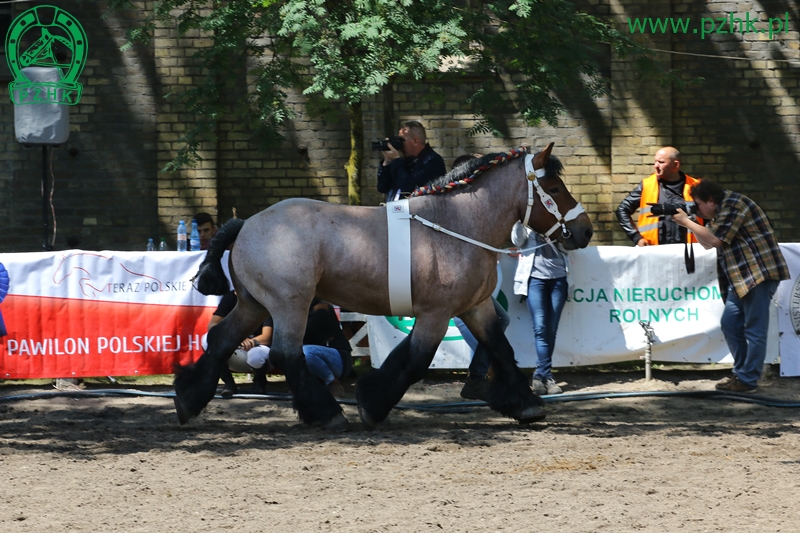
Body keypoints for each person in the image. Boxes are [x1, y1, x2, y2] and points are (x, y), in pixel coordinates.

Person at [673, 179, 789, 393]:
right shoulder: (720, 210)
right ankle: (742, 374)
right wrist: (691, 222)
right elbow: (706, 243)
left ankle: (748, 380)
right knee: (730, 324)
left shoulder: (734, 204)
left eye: (697, 204)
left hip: (758, 272)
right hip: (742, 277)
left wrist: (688, 222)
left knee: (755, 329)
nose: (696, 208)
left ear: (710, 200)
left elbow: (715, 240)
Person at [246, 298, 353, 398]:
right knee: (289, 351)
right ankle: (302, 385)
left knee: (303, 351)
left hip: (339, 359)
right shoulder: (292, 309)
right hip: (312, 359)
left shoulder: (321, 306)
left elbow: (304, 334)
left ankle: (333, 383)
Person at [512, 221, 568, 395]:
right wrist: (521, 221)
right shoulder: (528, 220)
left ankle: (541, 376)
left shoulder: (561, 217)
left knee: (551, 329)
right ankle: (545, 376)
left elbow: (571, 244)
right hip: (534, 279)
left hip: (559, 278)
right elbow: (517, 241)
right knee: (541, 327)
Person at [616, 147, 704, 246]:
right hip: (654, 251)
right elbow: (622, 209)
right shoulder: (647, 185)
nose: (655, 166)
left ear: (676, 164)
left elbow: (712, 216)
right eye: (655, 161)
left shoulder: (696, 187)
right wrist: (636, 238)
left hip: (690, 253)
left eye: (661, 162)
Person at [206, 290, 272, 397]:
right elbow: (212, 325)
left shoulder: (263, 300)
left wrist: (252, 342)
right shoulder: (230, 297)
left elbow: (267, 337)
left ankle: (260, 381)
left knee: (255, 355)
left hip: (259, 350)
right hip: (234, 348)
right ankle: (229, 384)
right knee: (207, 340)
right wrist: (234, 337)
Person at [376, 120, 446, 202]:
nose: (400, 145)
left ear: (415, 141)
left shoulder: (433, 161)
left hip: (419, 213)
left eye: (402, 140)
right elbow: (382, 187)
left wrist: (396, 160)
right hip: (395, 211)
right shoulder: (404, 161)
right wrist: (387, 162)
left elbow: (408, 188)